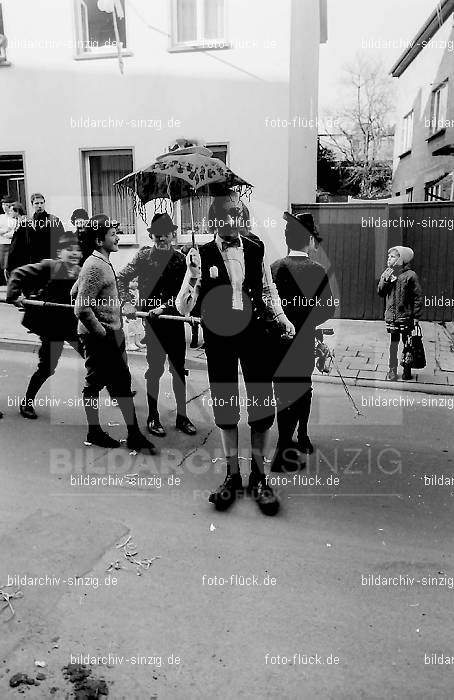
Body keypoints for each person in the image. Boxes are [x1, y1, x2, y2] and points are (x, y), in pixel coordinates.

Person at [176, 192, 292, 516]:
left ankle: (258, 478)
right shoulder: (201, 254)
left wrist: (282, 319)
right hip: (220, 340)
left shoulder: (255, 248)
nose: (233, 223)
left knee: (260, 408)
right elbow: (182, 307)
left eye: (238, 216)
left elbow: (268, 289)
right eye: (226, 217)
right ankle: (232, 476)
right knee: (226, 409)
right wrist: (193, 276)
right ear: (214, 221)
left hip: (255, 335)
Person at [74, 214, 156, 452]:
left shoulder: (100, 261)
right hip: (102, 336)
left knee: (121, 383)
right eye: (113, 235)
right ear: (100, 240)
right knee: (94, 384)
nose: (118, 237)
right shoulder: (95, 265)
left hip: (112, 333)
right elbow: (80, 306)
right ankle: (95, 431)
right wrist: (101, 331)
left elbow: (75, 291)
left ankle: (134, 435)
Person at [118, 213, 197, 437]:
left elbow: (190, 290)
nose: (161, 239)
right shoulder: (143, 256)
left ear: (173, 235)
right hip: (153, 324)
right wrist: (127, 303)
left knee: (179, 371)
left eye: (165, 236)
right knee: (154, 371)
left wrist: (195, 269)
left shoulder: (181, 260)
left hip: (174, 321)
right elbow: (121, 278)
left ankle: (182, 416)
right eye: (157, 236)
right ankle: (153, 416)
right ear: (152, 236)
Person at [270, 212, 334, 472]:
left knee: (282, 392)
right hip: (304, 340)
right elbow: (327, 309)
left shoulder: (274, 267)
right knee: (303, 388)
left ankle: (287, 441)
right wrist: (308, 322)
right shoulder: (317, 270)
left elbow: (266, 306)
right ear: (308, 241)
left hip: (278, 340)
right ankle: (297, 439)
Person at [6, 232, 85, 419]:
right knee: (47, 367)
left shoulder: (81, 272)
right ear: (59, 253)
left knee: (94, 359)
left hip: (72, 325)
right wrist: (13, 295)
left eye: (77, 250)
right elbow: (18, 274)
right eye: (69, 250)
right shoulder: (51, 266)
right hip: (52, 327)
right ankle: (26, 404)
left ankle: (117, 392)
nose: (74, 253)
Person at [378, 246, 422, 381]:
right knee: (394, 343)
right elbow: (380, 292)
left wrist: (416, 316)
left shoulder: (410, 275)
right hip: (392, 316)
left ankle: (407, 368)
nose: (389, 259)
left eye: (392, 257)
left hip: (406, 316)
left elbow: (417, 297)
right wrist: (386, 279)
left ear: (400, 259)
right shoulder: (387, 273)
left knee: (407, 343)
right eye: (388, 257)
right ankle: (392, 369)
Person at [29, 192, 65, 261]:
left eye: (42, 203)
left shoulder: (54, 220)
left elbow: (62, 240)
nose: (40, 206)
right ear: (32, 205)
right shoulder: (28, 222)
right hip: (34, 260)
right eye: (36, 203)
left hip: (51, 258)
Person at [5, 202, 35, 275]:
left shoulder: (26, 223)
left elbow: (26, 240)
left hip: (22, 256)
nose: (10, 212)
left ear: (17, 211)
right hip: (17, 254)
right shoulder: (19, 222)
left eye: (11, 211)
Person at [0, 195, 16, 283]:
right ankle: (8, 284)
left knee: (14, 265)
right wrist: (6, 230)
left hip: (14, 244)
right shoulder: (1, 217)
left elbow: (15, 231)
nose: (5, 207)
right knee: (5, 266)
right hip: (3, 244)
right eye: (4, 205)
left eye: (8, 205)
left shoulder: (15, 217)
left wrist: (6, 233)